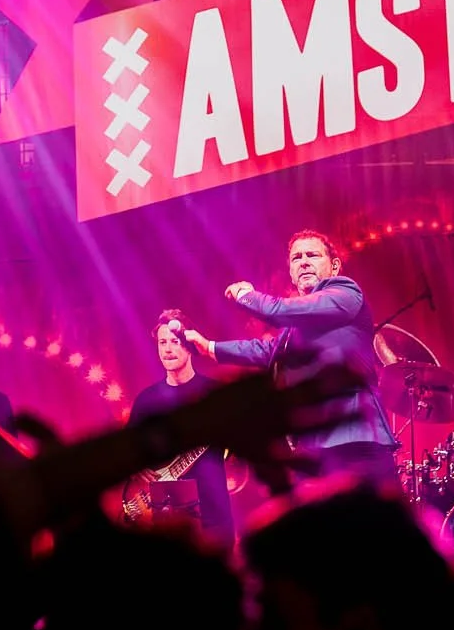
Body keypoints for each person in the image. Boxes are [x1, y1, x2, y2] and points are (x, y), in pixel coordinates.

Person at [187, 231, 396, 488]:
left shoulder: (345, 291)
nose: (304, 262)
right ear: (291, 272)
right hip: (312, 448)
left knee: (376, 526)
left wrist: (246, 295)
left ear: (334, 266)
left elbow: (279, 311)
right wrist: (209, 348)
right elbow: (267, 351)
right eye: (297, 258)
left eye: (312, 255)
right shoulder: (296, 325)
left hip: (356, 439)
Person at [125, 311, 235, 548]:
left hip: (213, 514)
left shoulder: (214, 393)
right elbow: (126, 449)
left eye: (175, 342)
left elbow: (236, 444)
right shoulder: (146, 400)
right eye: (162, 342)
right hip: (166, 521)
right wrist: (136, 466)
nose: (167, 349)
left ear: (190, 346)